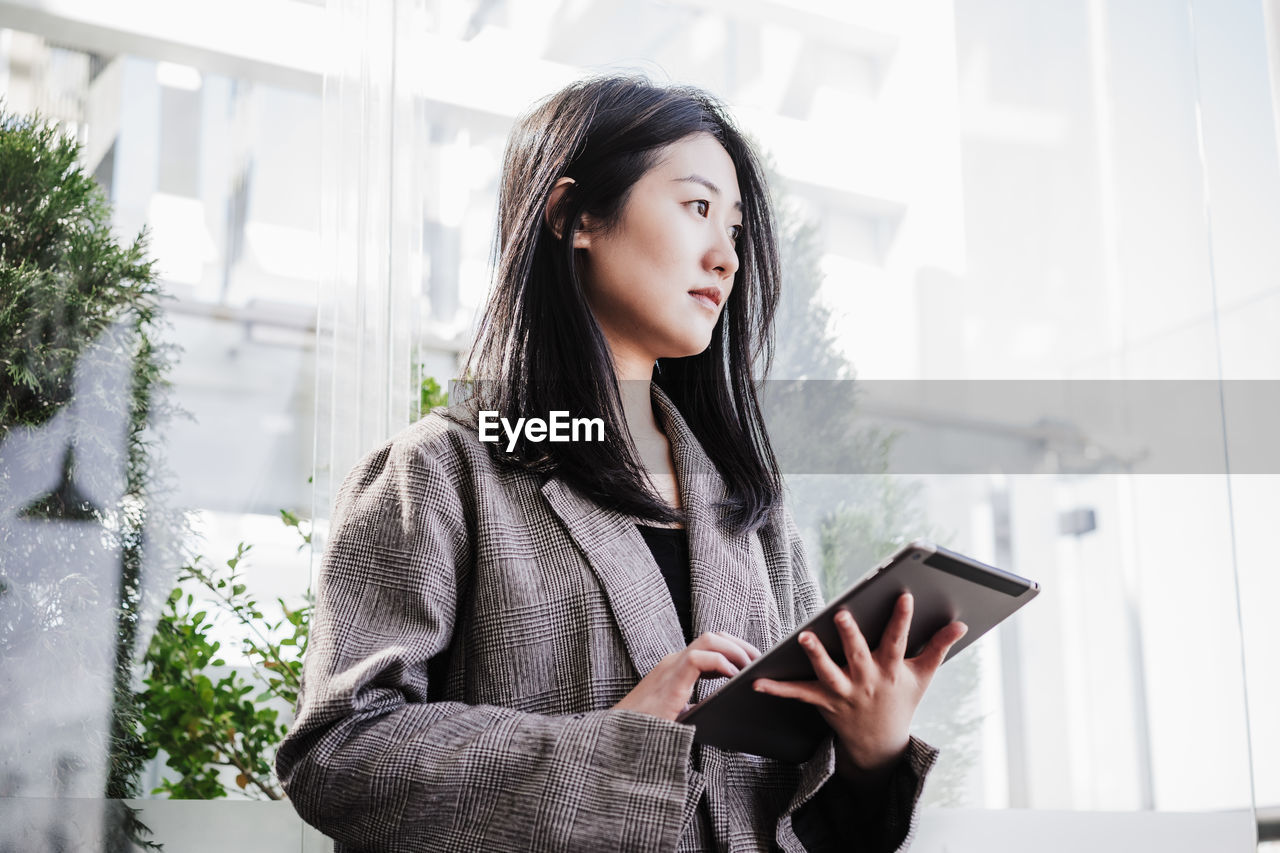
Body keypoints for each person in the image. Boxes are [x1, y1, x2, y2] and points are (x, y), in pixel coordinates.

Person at [276, 75, 967, 853]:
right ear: (575, 215)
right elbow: (338, 754)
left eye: (735, 228)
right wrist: (610, 745)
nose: (725, 257)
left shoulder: (749, 511)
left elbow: (796, 823)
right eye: (697, 207)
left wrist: (868, 752)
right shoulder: (443, 472)